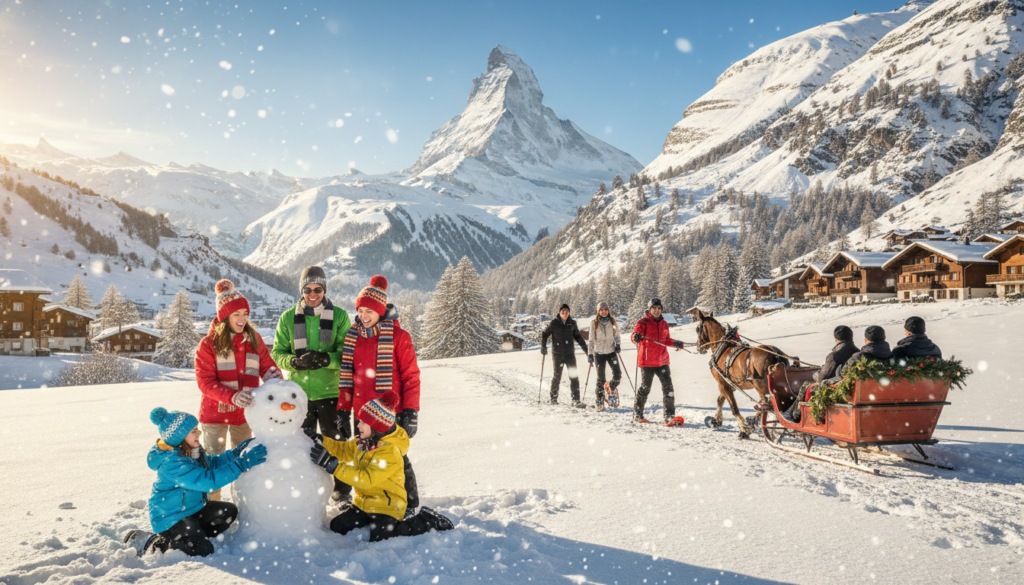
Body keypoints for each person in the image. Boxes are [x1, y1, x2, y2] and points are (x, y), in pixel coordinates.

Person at [308, 391, 453, 542]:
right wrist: (320, 441)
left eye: (363, 422)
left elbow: (366, 479)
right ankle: (367, 517)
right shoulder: (363, 443)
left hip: (388, 506)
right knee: (337, 526)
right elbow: (343, 450)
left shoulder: (389, 452)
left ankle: (426, 520)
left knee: (381, 536)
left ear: (377, 426)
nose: (359, 425)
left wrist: (333, 466)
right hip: (363, 503)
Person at [123, 407, 267, 556]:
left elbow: (211, 464)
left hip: (192, 510)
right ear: (180, 438)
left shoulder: (192, 452)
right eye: (193, 431)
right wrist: (242, 464)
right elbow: (208, 481)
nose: (199, 433)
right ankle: (153, 542)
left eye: (197, 429)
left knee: (228, 512)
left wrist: (235, 454)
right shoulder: (173, 463)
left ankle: (192, 535)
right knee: (202, 550)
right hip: (171, 518)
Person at [337, 275, 422, 516]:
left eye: (369, 311)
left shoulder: (399, 337)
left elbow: (411, 377)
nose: (364, 316)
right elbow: (346, 378)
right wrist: (343, 410)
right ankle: (369, 503)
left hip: (387, 413)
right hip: (361, 412)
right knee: (362, 457)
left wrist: (411, 411)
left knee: (396, 458)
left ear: (381, 311)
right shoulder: (353, 337)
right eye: (360, 310)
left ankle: (411, 504)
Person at [195, 279, 281, 500]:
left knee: (245, 461)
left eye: (245, 313)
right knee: (214, 465)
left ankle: (243, 505)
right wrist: (232, 396)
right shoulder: (208, 344)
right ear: (225, 316)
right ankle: (212, 509)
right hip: (215, 417)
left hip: (245, 415)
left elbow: (267, 366)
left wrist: (274, 379)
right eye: (237, 314)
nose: (243, 319)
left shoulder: (254, 339)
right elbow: (205, 382)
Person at [272, 266, 352, 498]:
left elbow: (348, 354)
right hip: (299, 396)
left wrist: (326, 359)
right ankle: (305, 494)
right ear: (302, 290)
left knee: (337, 446)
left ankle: (342, 493)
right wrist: (295, 362)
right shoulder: (288, 318)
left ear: (324, 289)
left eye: (318, 289)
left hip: (330, 394)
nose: (312, 293)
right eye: (307, 289)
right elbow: (278, 353)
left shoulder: (339, 316)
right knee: (300, 447)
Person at [782, 325, 857, 423]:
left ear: (836, 340)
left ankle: (795, 415)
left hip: (834, 387)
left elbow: (822, 377)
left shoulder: (834, 356)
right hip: (848, 387)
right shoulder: (858, 353)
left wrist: (815, 374)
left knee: (805, 385)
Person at [630, 298, 686, 424]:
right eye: (654, 308)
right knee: (645, 388)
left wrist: (676, 343)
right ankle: (638, 414)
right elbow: (635, 335)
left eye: (659, 308)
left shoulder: (664, 324)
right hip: (647, 361)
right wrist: (635, 337)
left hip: (662, 361)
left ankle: (669, 416)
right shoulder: (643, 322)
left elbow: (666, 340)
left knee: (668, 388)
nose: (657, 310)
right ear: (650, 309)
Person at [540, 304, 590, 407]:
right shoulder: (554, 323)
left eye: (567, 311)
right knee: (557, 376)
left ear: (569, 312)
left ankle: (576, 400)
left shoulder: (572, 323)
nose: (565, 313)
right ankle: (553, 398)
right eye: (563, 311)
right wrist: (543, 347)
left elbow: (579, 338)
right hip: (557, 354)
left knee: (574, 377)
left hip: (569, 354)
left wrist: (587, 351)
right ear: (559, 312)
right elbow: (544, 334)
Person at [588, 301, 621, 409]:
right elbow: (591, 339)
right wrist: (590, 354)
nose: (604, 311)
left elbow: (616, 335)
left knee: (618, 375)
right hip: (599, 354)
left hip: (611, 352)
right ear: (598, 311)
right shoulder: (594, 323)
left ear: (608, 310)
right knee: (600, 379)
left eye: (606, 309)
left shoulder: (612, 321)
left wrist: (618, 345)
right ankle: (600, 403)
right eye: (601, 310)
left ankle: (611, 387)